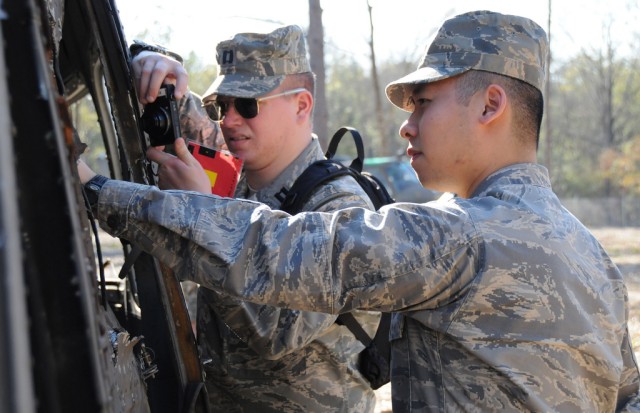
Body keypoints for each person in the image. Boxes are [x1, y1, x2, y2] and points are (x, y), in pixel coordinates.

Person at [79, 11, 640, 412]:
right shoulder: (593, 258)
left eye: (423, 102)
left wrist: (94, 189)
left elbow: (271, 253)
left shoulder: (452, 236)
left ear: (490, 105)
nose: (406, 124)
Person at [130, 25, 379, 412]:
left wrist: (203, 216)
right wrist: (156, 65)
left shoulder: (339, 209)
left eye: (248, 105)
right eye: (222, 105)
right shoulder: (237, 177)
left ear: (301, 105)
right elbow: (184, 116)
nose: (229, 121)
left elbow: (275, 332)